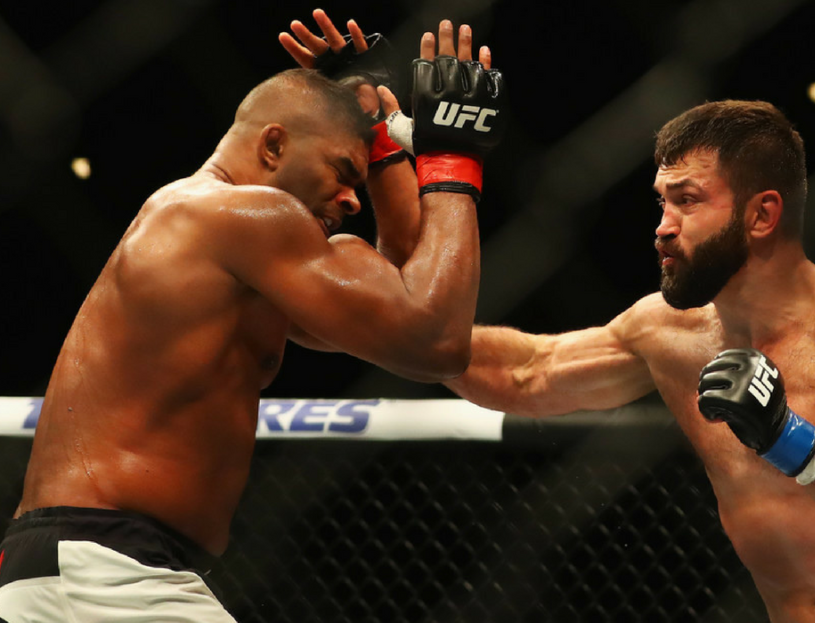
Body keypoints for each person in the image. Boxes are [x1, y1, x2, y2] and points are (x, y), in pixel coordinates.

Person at [0, 20, 505, 622]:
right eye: (344, 173)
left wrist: (380, 143)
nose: (352, 200)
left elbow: (398, 304)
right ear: (272, 146)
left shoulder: (224, 245)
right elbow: (437, 341)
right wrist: (453, 158)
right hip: (104, 573)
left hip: (97, 568)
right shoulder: (239, 214)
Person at [445, 100, 815, 621]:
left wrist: (789, 439)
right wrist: (386, 316)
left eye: (687, 200)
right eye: (662, 201)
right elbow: (525, 374)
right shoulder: (667, 330)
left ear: (762, 215)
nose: (663, 226)